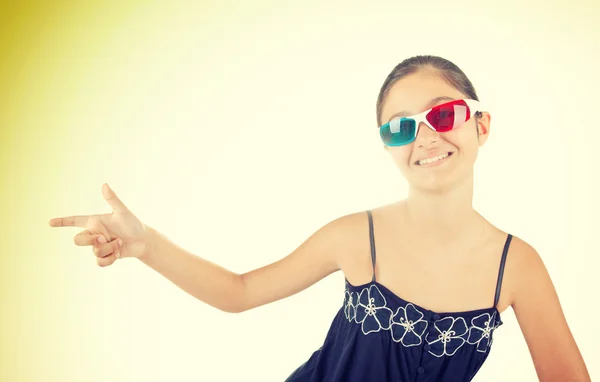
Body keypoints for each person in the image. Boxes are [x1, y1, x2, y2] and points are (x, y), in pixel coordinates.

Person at [49, 55, 591, 381]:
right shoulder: (357, 237)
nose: (425, 136)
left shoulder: (516, 266)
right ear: (387, 146)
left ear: (482, 124)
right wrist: (146, 246)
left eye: (443, 114)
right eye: (400, 127)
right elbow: (239, 292)